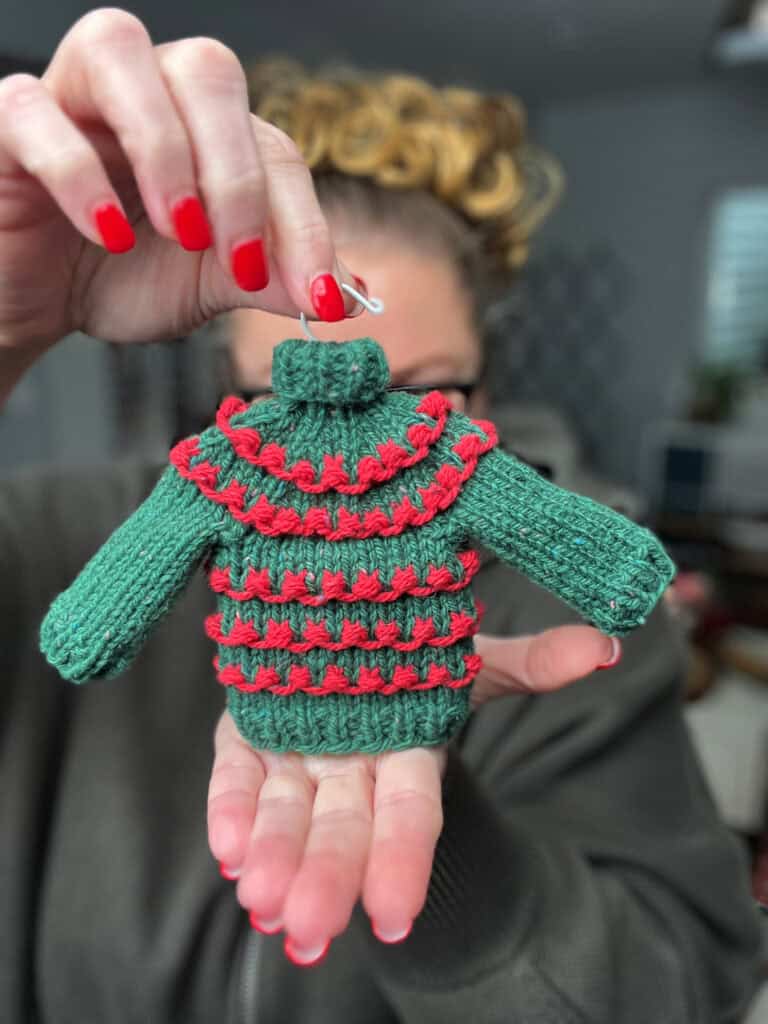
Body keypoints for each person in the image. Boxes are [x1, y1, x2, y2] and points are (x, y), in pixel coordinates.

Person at [0, 9, 761, 1022]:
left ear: (489, 383)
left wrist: (460, 873)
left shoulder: (580, 634)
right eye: (278, 389)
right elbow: (85, 623)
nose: (365, 442)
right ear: (225, 378)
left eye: (431, 394)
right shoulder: (62, 528)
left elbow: (678, 983)